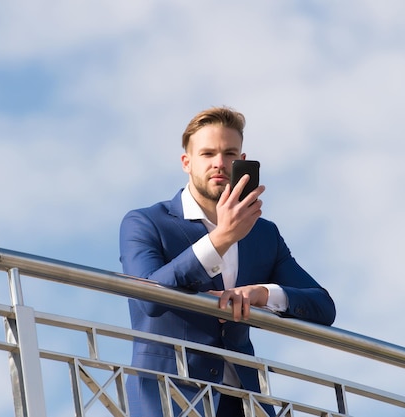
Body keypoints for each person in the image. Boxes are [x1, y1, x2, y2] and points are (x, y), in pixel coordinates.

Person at [119, 106, 336, 417]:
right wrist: (221, 238)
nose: (219, 163)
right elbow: (149, 298)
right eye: (207, 154)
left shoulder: (263, 234)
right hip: (172, 399)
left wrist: (263, 294)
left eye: (229, 153)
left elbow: (323, 307)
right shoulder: (145, 222)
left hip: (244, 403)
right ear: (187, 162)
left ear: (242, 162)